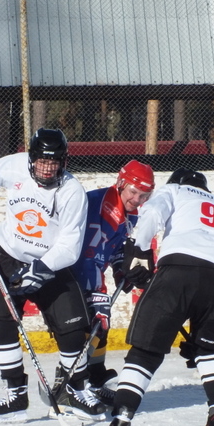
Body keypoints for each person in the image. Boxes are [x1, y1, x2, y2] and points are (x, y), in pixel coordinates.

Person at [0, 128, 106, 423]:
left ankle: (74, 391)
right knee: (0, 323)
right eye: (42, 162)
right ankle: (15, 395)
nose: (48, 168)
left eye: (54, 163)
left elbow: (70, 246)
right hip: (9, 258)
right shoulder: (13, 165)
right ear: (31, 158)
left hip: (51, 265)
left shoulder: (72, 192)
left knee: (73, 329)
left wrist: (40, 270)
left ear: (63, 162)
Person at [100, 168, 214, 426]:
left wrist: (138, 249)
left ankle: (122, 418)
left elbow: (152, 213)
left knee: (145, 350)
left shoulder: (175, 190)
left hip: (178, 271)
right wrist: (201, 335)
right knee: (211, 350)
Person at [70, 159, 155, 404]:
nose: (137, 200)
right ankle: (74, 383)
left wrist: (121, 269)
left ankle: (95, 379)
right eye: (134, 192)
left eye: (144, 196)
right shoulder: (100, 204)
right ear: (120, 183)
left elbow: (113, 247)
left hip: (91, 270)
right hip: (73, 274)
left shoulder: (129, 212)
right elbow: (87, 255)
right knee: (85, 326)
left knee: (101, 327)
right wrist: (96, 292)